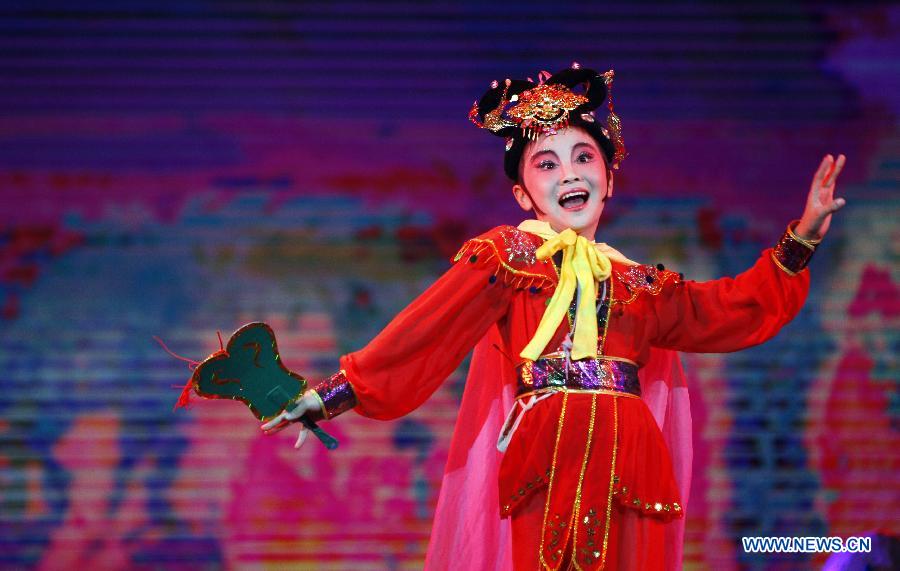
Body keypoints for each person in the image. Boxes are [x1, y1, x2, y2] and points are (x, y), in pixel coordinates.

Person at [261, 64, 847, 570]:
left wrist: (800, 240)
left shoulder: (642, 286)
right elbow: (425, 330)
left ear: (609, 178)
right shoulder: (507, 260)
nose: (569, 173)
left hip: (633, 464)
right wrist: (334, 393)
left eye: (583, 157)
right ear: (523, 194)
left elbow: (726, 309)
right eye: (546, 163)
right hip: (546, 454)